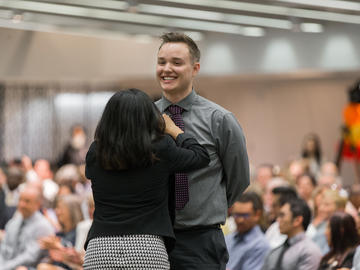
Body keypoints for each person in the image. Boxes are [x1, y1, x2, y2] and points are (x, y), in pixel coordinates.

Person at [82, 89, 210, 269]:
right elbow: (201, 156)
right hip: (147, 247)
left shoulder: (96, 151)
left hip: (101, 248)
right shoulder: (161, 148)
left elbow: (91, 174)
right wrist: (175, 130)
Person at [155, 32, 249, 270]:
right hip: (154, 238)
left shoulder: (220, 119)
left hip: (202, 240)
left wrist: (208, 205)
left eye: (177, 63)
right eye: (162, 62)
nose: (167, 69)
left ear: (195, 68)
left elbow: (239, 179)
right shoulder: (144, 117)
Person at [0, 185, 55, 270]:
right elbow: (3, 249)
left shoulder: (43, 227)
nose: (22, 204)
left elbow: (29, 257)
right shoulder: (14, 222)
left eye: (27, 201)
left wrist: (4, 268)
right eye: (20, 200)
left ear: (38, 204)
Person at [262, 198, 322, 270]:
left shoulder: (309, 252)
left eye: (282, 215)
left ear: (297, 220)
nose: (278, 220)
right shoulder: (276, 251)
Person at [225, 192, 270, 270]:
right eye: (237, 215)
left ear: (257, 215)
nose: (240, 220)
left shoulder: (260, 245)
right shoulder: (228, 239)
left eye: (245, 215)